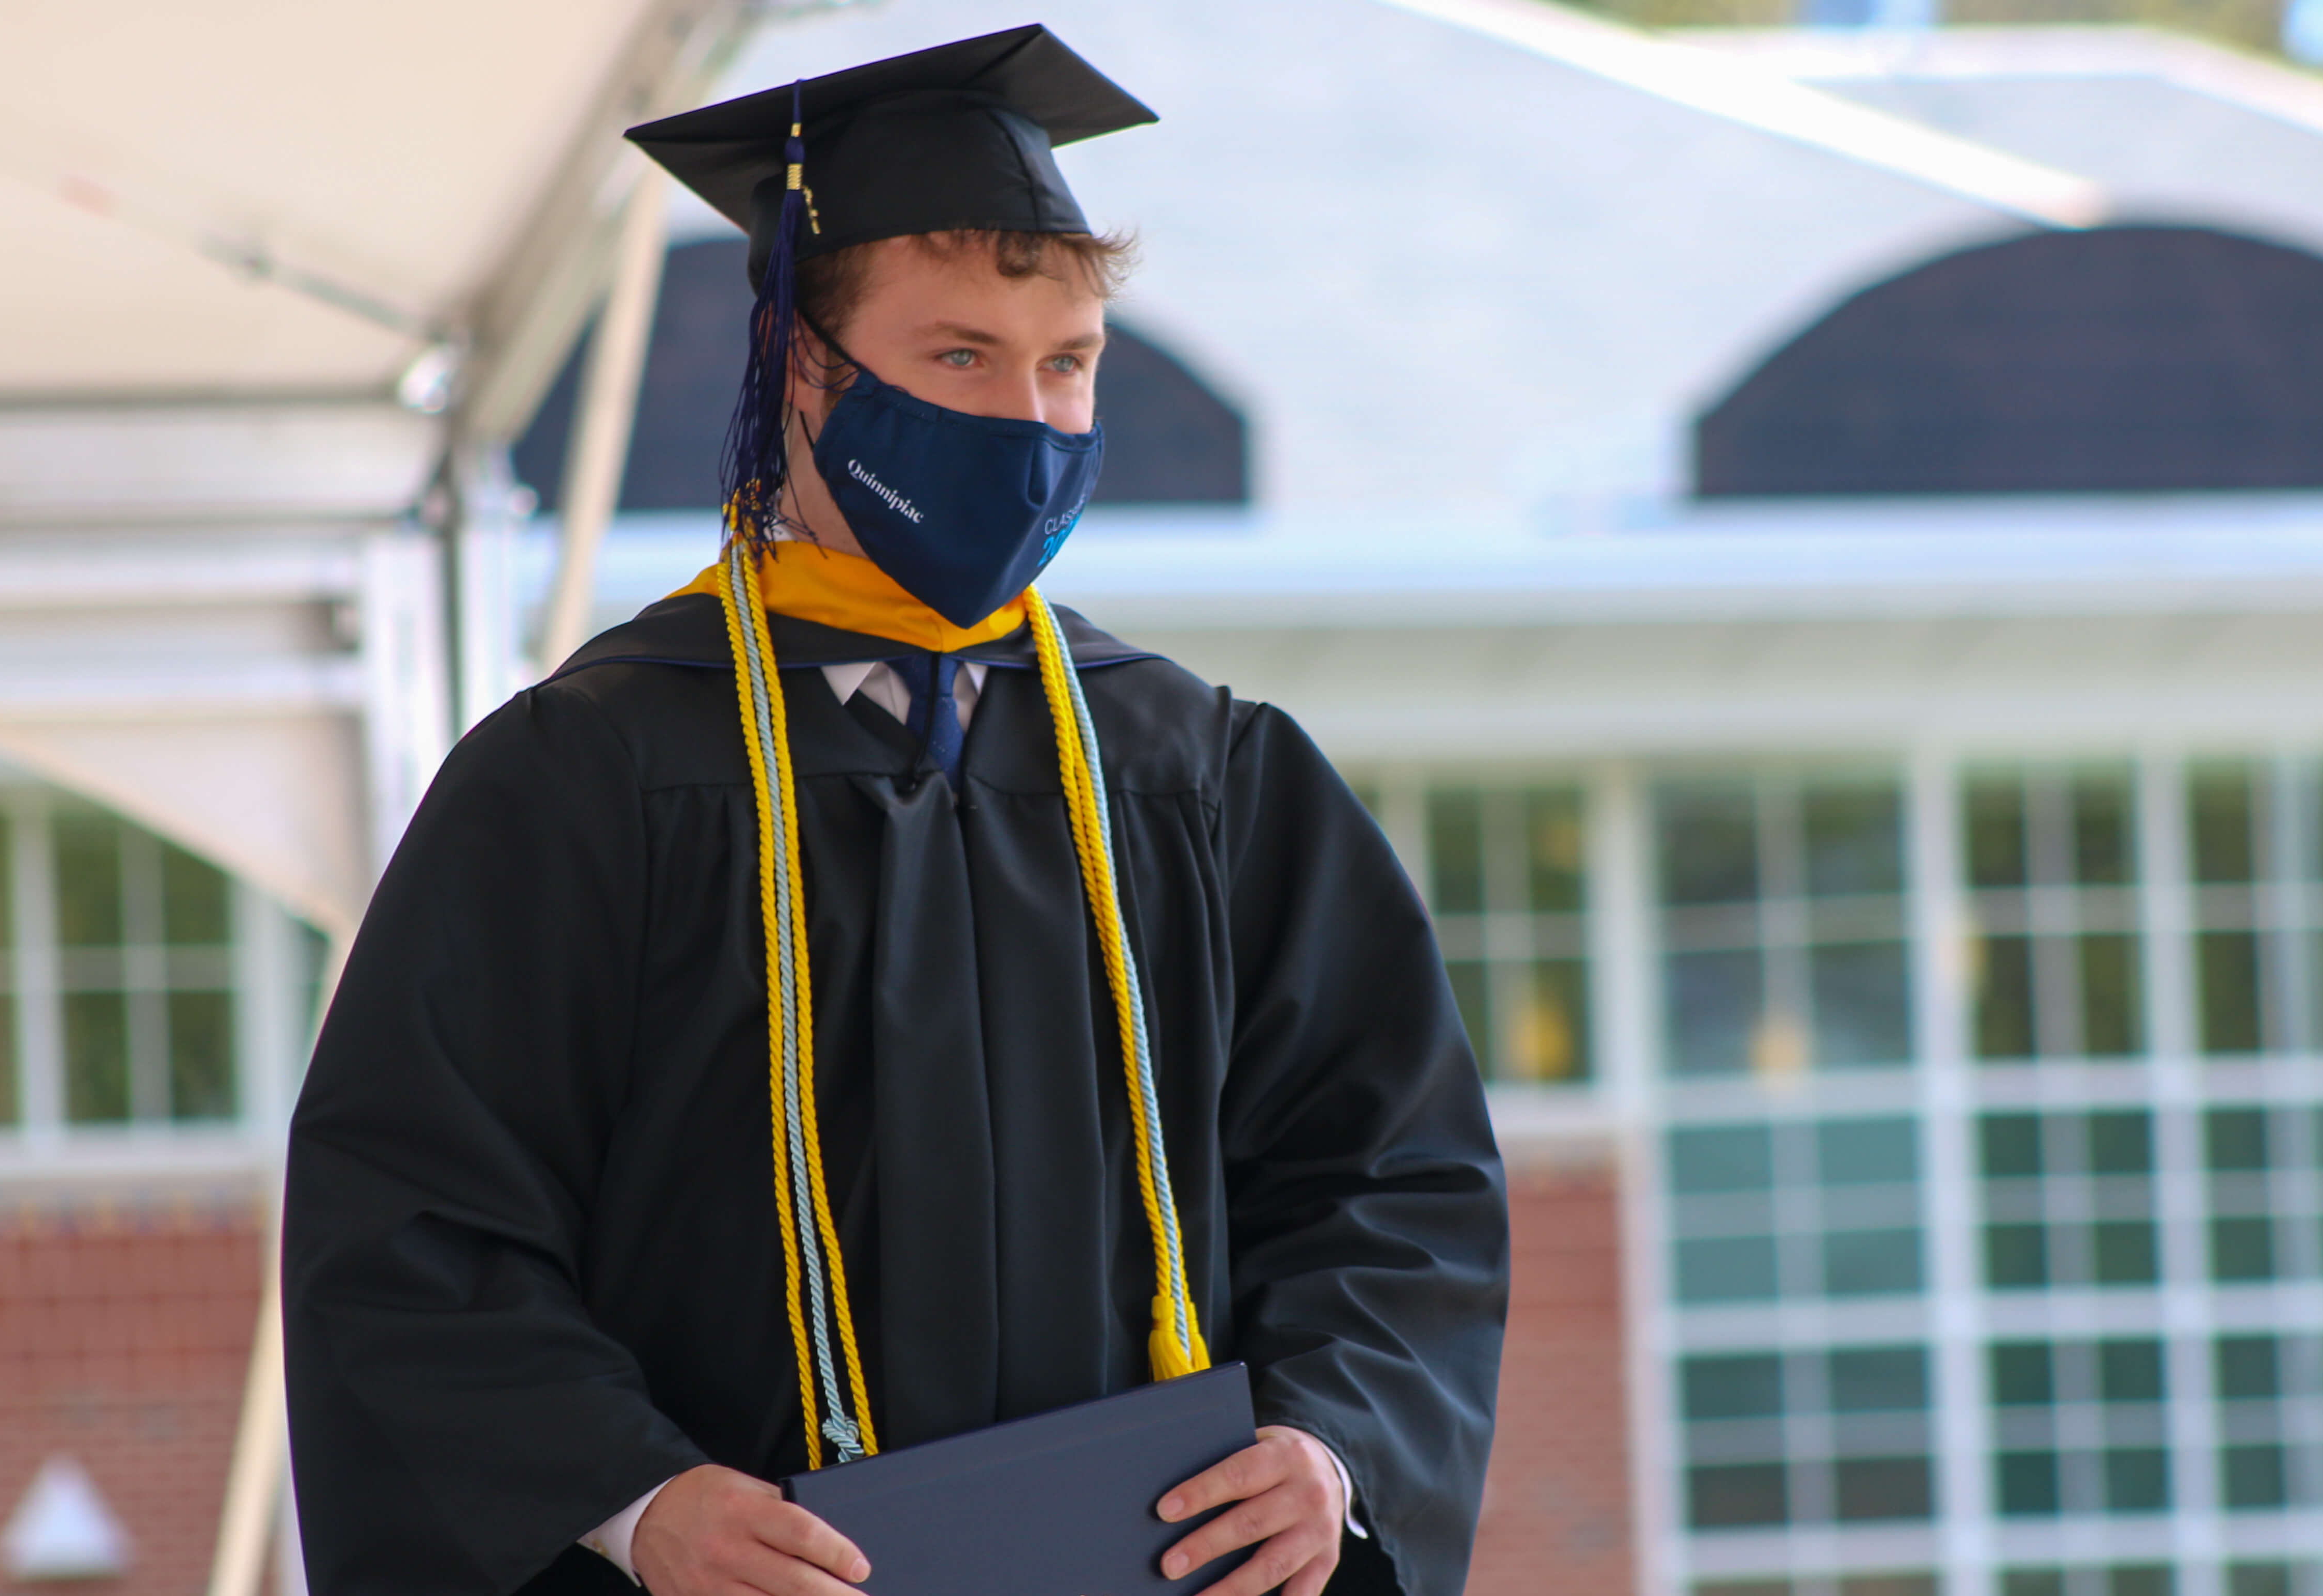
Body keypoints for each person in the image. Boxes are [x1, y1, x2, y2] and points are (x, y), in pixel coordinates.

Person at [283, 25, 1506, 1596]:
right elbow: (412, 1228)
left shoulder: (1199, 775)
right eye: (959, 361)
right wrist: (635, 1501)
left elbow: (1393, 1180)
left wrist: (1333, 1444)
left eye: (1066, 365)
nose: (1029, 421)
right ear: (807, 368)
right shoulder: (589, 778)